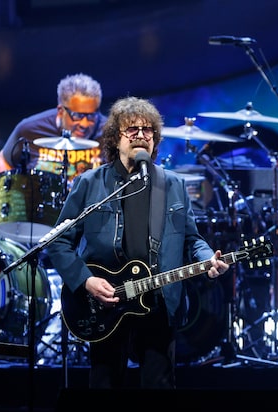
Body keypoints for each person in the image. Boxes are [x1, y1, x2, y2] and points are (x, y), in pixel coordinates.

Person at [46, 96, 229, 388]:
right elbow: (57, 243)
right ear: (115, 138)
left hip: (157, 303)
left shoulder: (172, 184)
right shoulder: (91, 183)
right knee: (104, 390)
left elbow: (192, 239)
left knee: (158, 393)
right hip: (105, 304)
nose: (141, 136)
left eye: (148, 131)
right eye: (132, 130)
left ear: (155, 141)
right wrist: (86, 281)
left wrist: (208, 257)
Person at [0, 73, 106, 211]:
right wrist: (2, 197)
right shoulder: (30, 129)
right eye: (77, 115)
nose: (85, 124)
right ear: (60, 110)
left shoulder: (108, 132)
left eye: (91, 116)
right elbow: (3, 161)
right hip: (40, 214)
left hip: (91, 213)